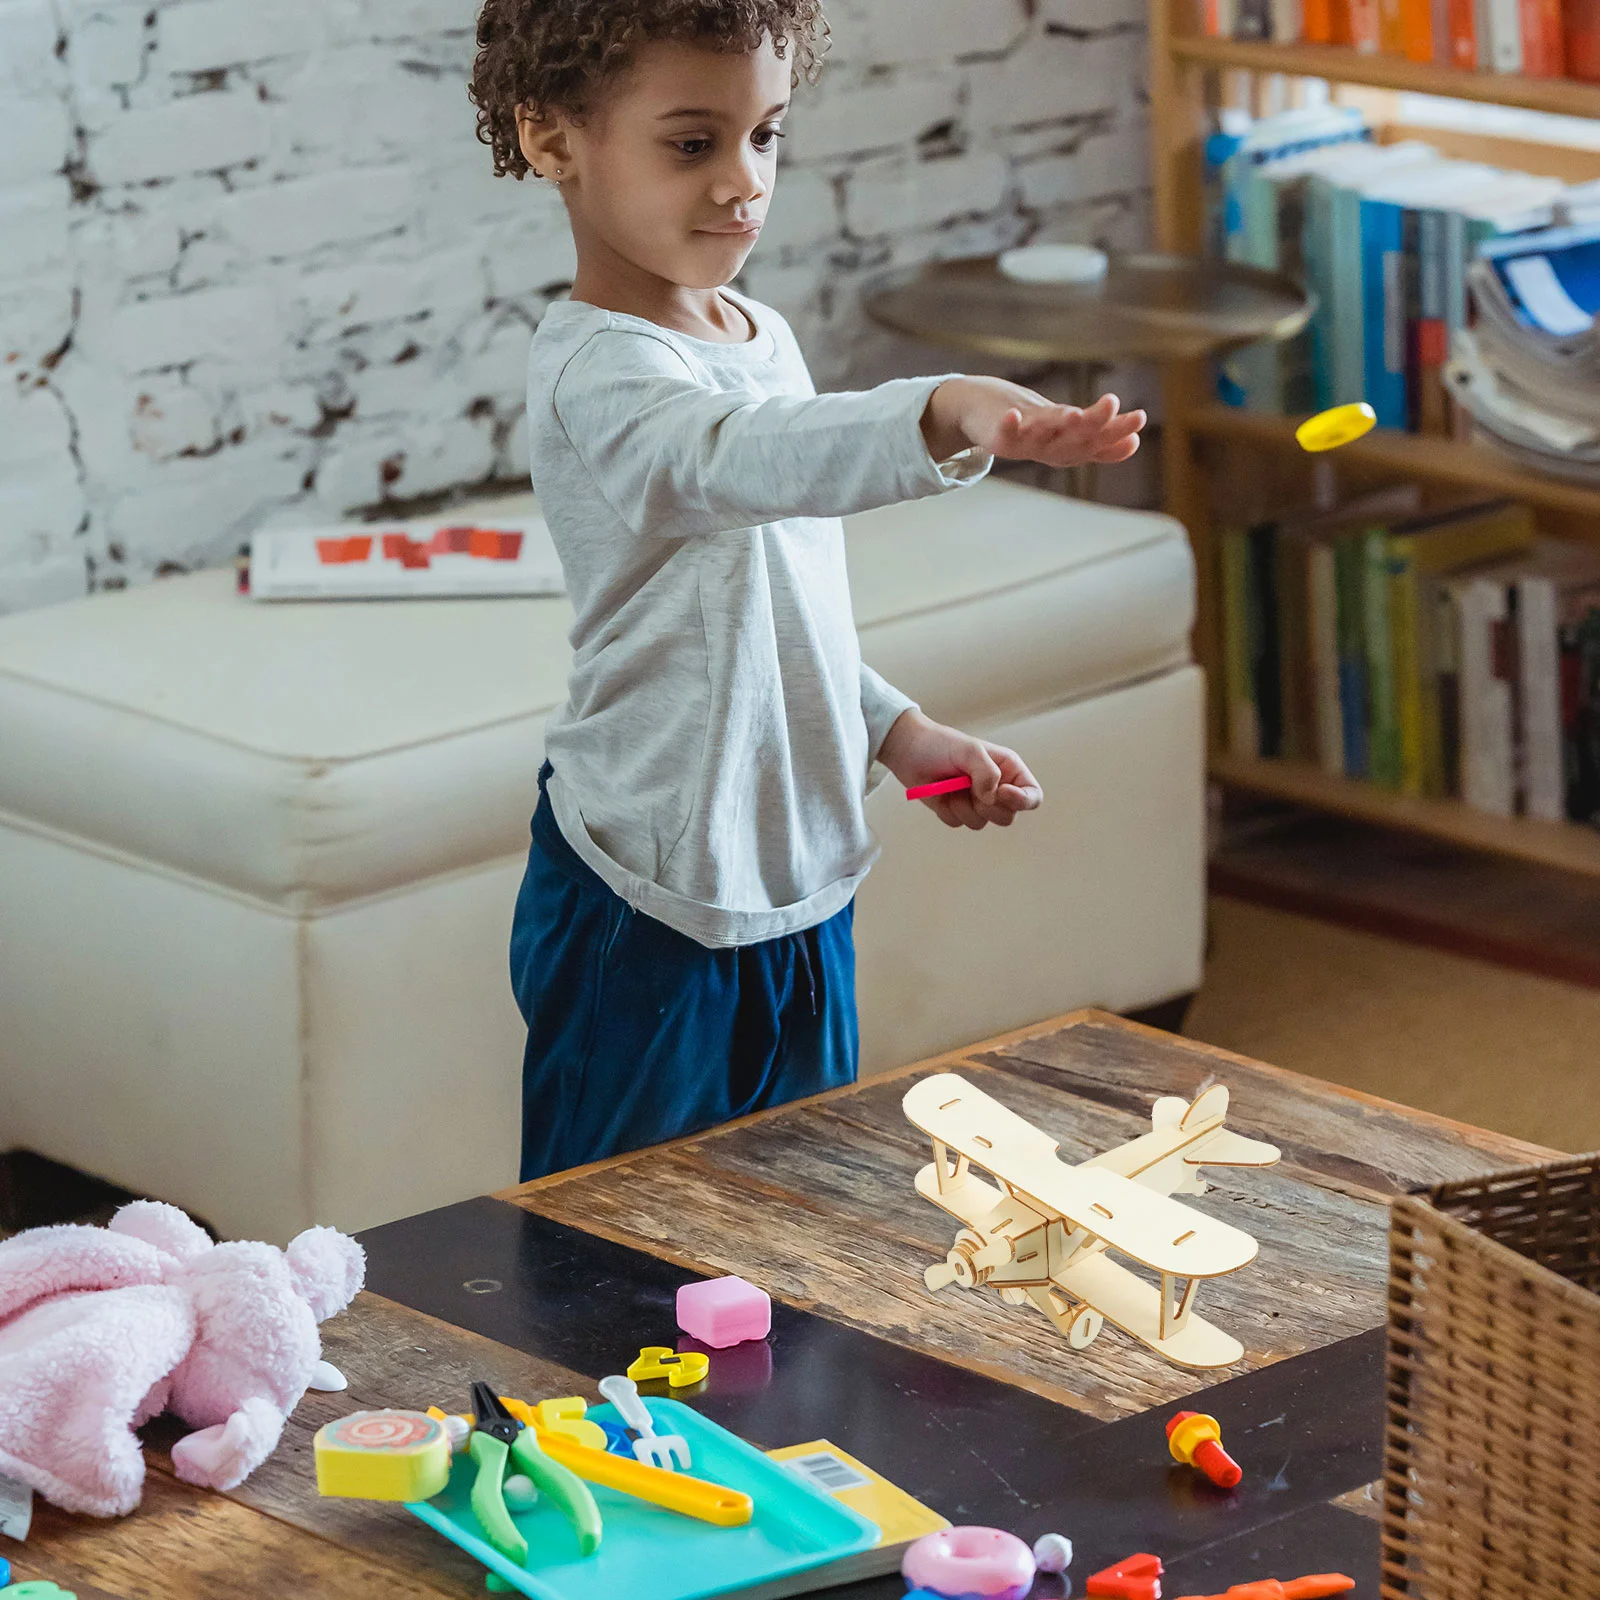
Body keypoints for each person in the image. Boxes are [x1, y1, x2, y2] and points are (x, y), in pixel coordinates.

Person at [469, 0, 1147, 1180]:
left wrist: (894, 729)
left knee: (794, 1209)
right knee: (616, 1235)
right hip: (648, 890)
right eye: (692, 143)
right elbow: (734, 454)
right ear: (551, 136)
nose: (743, 181)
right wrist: (941, 407)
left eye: (766, 135)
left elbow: (772, 605)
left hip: (797, 880)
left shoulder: (759, 335)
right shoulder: (597, 370)